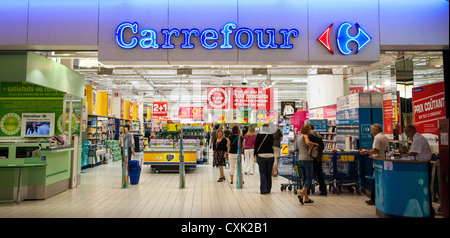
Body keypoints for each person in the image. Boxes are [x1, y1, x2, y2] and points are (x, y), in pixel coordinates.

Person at [359, 123, 389, 205]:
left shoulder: (377, 138)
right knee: (382, 182)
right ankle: (380, 198)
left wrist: (365, 152)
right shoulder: (385, 137)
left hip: (378, 163)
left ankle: (373, 199)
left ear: (376, 130)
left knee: (375, 181)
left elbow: (376, 150)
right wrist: (374, 155)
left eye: (372, 130)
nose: (371, 132)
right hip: (384, 161)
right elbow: (383, 151)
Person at [297, 124, 319, 205]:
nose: (310, 131)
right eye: (309, 129)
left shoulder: (299, 137)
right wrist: (315, 144)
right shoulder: (305, 136)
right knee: (309, 178)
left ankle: (306, 198)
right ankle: (301, 194)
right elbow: (308, 142)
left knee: (304, 179)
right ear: (307, 130)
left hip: (300, 159)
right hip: (307, 160)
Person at [254, 124, 275, 194]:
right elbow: (271, 145)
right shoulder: (270, 136)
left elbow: (256, 146)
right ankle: (268, 189)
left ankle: (264, 189)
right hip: (270, 155)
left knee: (262, 173)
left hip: (261, 155)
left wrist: (255, 155)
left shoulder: (259, 136)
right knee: (269, 173)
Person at [308, 123, 327, 196]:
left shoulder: (310, 136)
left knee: (309, 175)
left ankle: (308, 190)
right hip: (319, 158)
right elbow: (322, 147)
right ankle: (323, 190)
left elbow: (309, 147)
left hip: (312, 158)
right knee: (320, 175)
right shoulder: (318, 136)